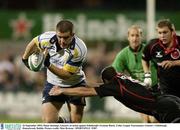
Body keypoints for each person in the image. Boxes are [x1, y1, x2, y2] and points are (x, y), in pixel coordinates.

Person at [49, 66, 180, 123]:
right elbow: (93, 86)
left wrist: (62, 90)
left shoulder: (115, 86)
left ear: (106, 81)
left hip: (163, 107)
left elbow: (87, 91)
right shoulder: (122, 79)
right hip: (167, 100)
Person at [22, 20, 87, 123]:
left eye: (65, 37)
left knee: (75, 125)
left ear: (73, 35)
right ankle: (64, 123)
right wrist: (25, 59)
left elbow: (66, 75)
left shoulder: (79, 49)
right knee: (49, 123)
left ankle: (69, 124)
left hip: (75, 85)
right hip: (53, 84)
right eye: (59, 37)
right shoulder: (47, 38)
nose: (62, 41)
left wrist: (48, 64)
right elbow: (34, 42)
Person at [112, 25, 158, 122]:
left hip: (155, 89)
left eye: (137, 35)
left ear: (141, 37)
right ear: (128, 37)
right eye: (132, 35)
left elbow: (161, 66)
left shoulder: (150, 50)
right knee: (146, 121)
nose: (135, 38)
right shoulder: (123, 55)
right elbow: (114, 73)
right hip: (139, 91)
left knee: (154, 120)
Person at [142, 19, 180, 98]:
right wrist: (147, 75)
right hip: (165, 90)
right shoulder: (152, 45)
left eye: (165, 32)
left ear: (172, 32)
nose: (162, 36)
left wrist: (174, 63)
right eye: (160, 33)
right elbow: (144, 59)